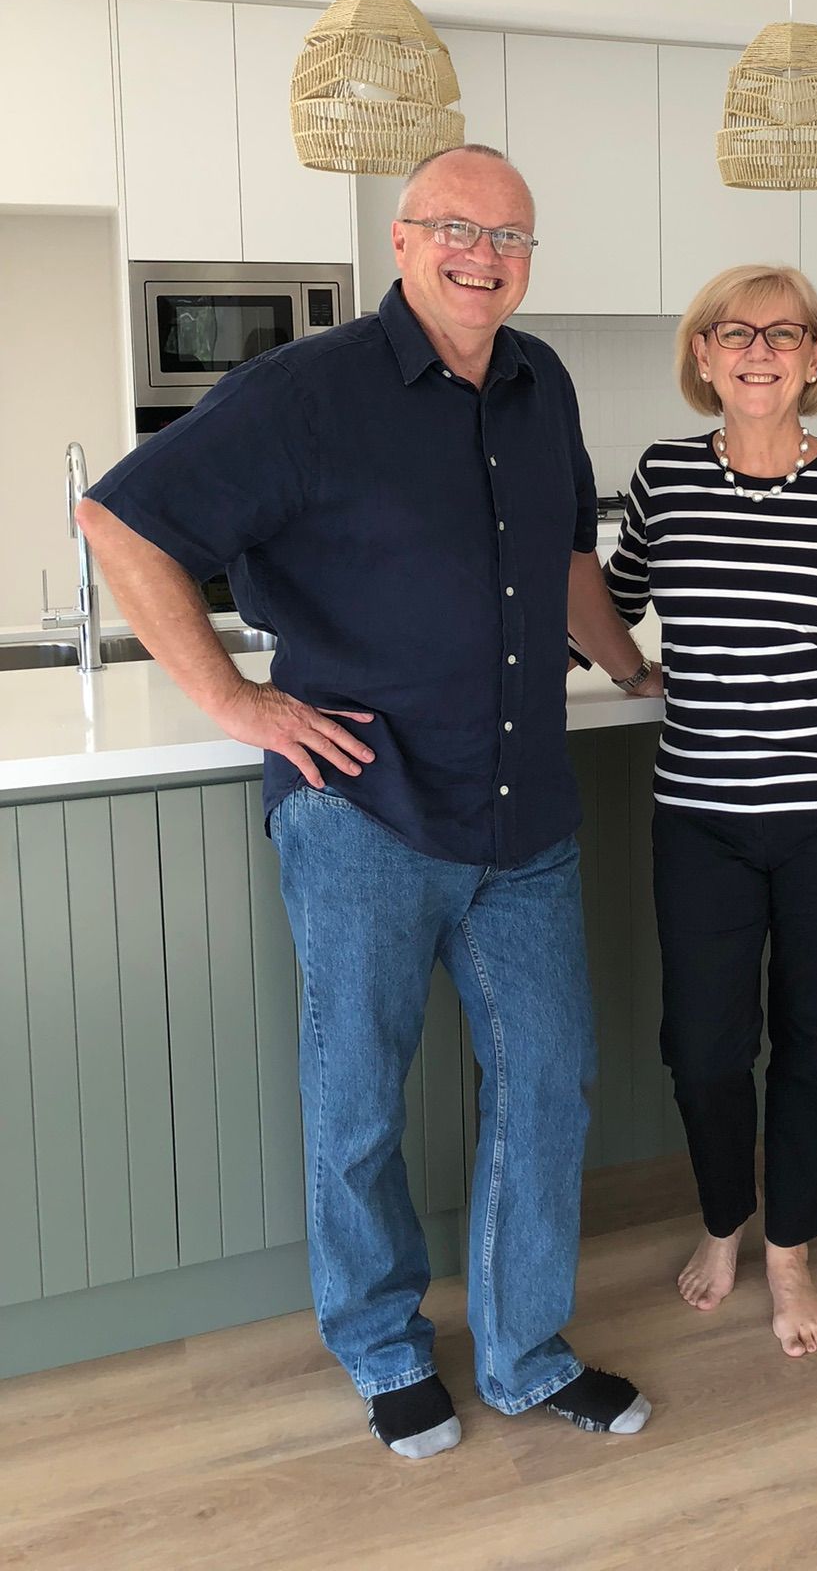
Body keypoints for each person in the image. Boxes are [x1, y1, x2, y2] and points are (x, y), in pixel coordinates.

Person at [77, 145, 662, 1457]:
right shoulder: (306, 390)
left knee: (549, 1087)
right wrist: (237, 703)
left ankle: (523, 1353)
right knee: (357, 1104)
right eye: (456, 228)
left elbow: (570, 551)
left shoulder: (538, 380)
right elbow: (123, 523)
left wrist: (626, 665)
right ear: (402, 242)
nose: (483, 256)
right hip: (365, 813)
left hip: (525, 819)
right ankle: (387, 1347)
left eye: (510, 236)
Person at [601, 263, 817, 1356]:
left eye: (783, 333)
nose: (759, 349)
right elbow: (611, 601)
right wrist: (624, 666)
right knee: (702, 1046)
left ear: (813, 357)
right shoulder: (663, 476)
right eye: (733, 332)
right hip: (699, 811)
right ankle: (724, 1221)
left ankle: (788, 1249)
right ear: (702, 356)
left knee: (816, 1040)